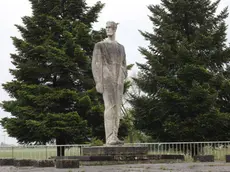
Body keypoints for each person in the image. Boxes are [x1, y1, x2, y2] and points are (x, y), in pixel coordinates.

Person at [92, 21, 127, 145]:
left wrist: (123, 75)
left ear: (115, 29)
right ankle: (110, 137)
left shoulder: (121, 47)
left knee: (117, 107)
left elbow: (124, 64)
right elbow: (96, 64)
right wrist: (98, 81)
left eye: (110, 27)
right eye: (106, 27)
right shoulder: (100, 45)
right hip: (106, 79)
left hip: (118, 80)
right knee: (109, 106)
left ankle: (115, 136)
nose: (108, 29)